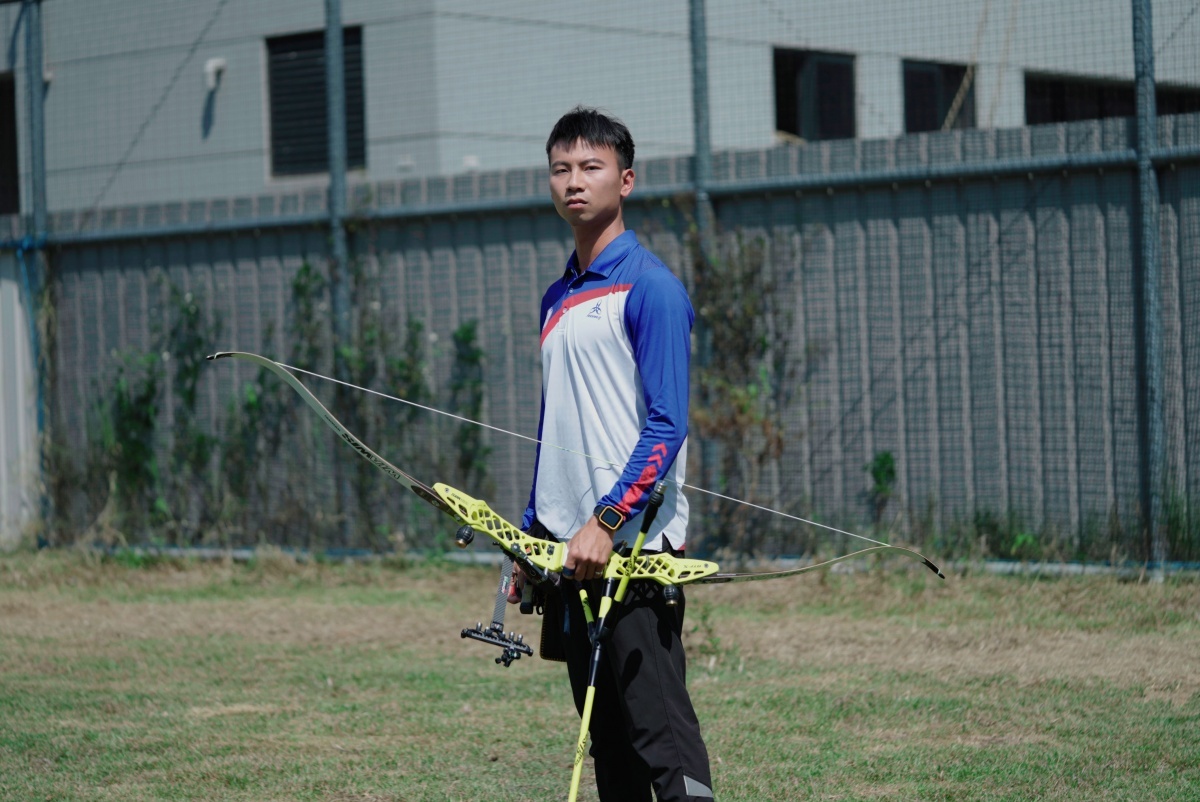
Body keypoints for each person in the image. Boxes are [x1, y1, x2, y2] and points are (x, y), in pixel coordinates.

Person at [516, 106, 715, 802]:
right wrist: (534, 532)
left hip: (633, 551)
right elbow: (555, 426)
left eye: (591, 167)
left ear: (624, 181)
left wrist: (606, 519)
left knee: (663, 743)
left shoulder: (652, 288)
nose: (574, 181)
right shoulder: (556, 298)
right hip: (572, 556)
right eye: (561, 168)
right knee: (608, 749)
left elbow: (666, 425)